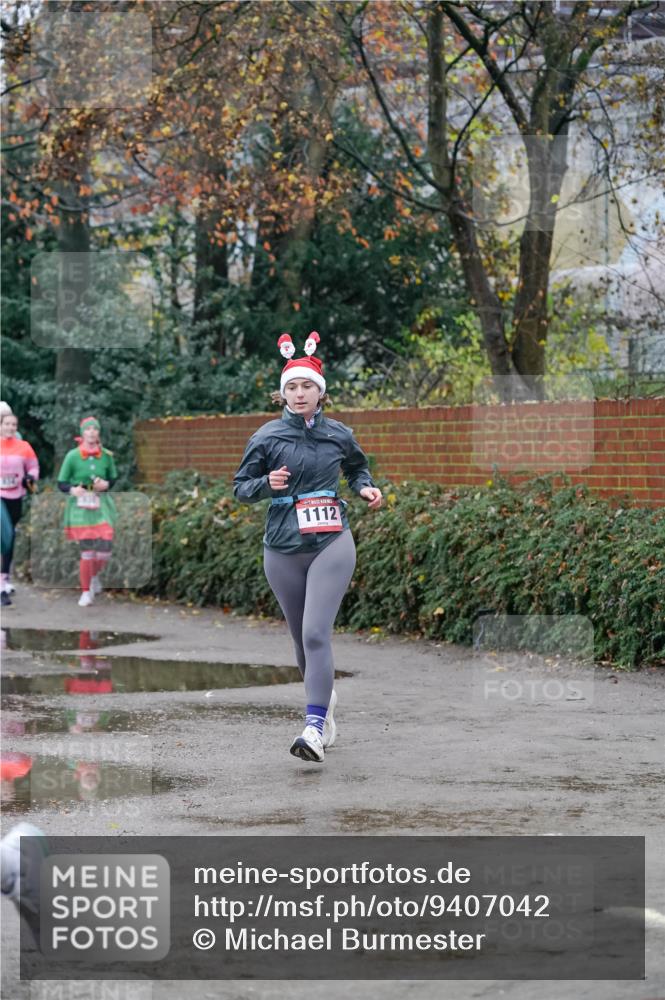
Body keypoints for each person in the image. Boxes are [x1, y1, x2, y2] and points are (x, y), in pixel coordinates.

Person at [233, 332, 383, 763]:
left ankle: (313, 728)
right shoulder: (266, 437)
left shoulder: (339, 434)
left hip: (331, 541)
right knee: (302, 639)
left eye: (307, 386)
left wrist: (365, 487)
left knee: (316, 632)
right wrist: (267, 483)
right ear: (283, 394)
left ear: (321, 392)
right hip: (282, 548)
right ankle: (324, 702)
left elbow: (357, 468)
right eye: (292, 387)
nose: (300, 394)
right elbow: (241, 488)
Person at [57, 416, 117, 607]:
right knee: (88, 551)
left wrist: (106, 484)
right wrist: (72, 490)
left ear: (98, 433)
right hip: (80, 507)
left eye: (95, 429)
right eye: (88, 429)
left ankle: (93, 575)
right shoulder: (72, 456)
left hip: (101, 504)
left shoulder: (106, 455)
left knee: (105, 550)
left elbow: (113, 478)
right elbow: (61, 482)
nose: (91, 432)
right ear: (82, 434)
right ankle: (85, 592)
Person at [0, 408, 39, 606]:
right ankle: (1, 585)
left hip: (15, 497)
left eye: (13, 425)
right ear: (0, 426)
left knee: (9, 538)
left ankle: (5, 578)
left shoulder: (24, 446)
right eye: (7, 424)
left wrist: (30, 477)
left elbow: (33, 466)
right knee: (3, 534)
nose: (10, 427)